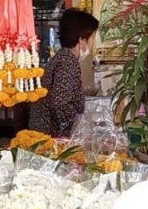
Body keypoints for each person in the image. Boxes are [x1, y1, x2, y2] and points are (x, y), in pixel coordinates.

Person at [28, 8, 99, 138]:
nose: (93, 43)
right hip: (51, 136)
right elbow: (60, 103)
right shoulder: (68, 61)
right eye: (92, 37)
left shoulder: (63, 56)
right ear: (81, 40)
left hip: (45, 133)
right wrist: (80, 125)